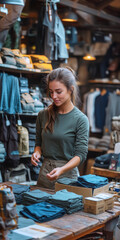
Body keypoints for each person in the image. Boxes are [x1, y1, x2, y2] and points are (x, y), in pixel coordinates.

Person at [31, 67, 89, 189]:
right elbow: (38, 143)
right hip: (45, 174)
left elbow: (81, 155)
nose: (54, 96)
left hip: (67, 177)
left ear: (70, 90)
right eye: (51, 92)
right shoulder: (43, 115)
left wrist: (61, 170)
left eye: (58, 92)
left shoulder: (80, 119)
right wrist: (37, 152)